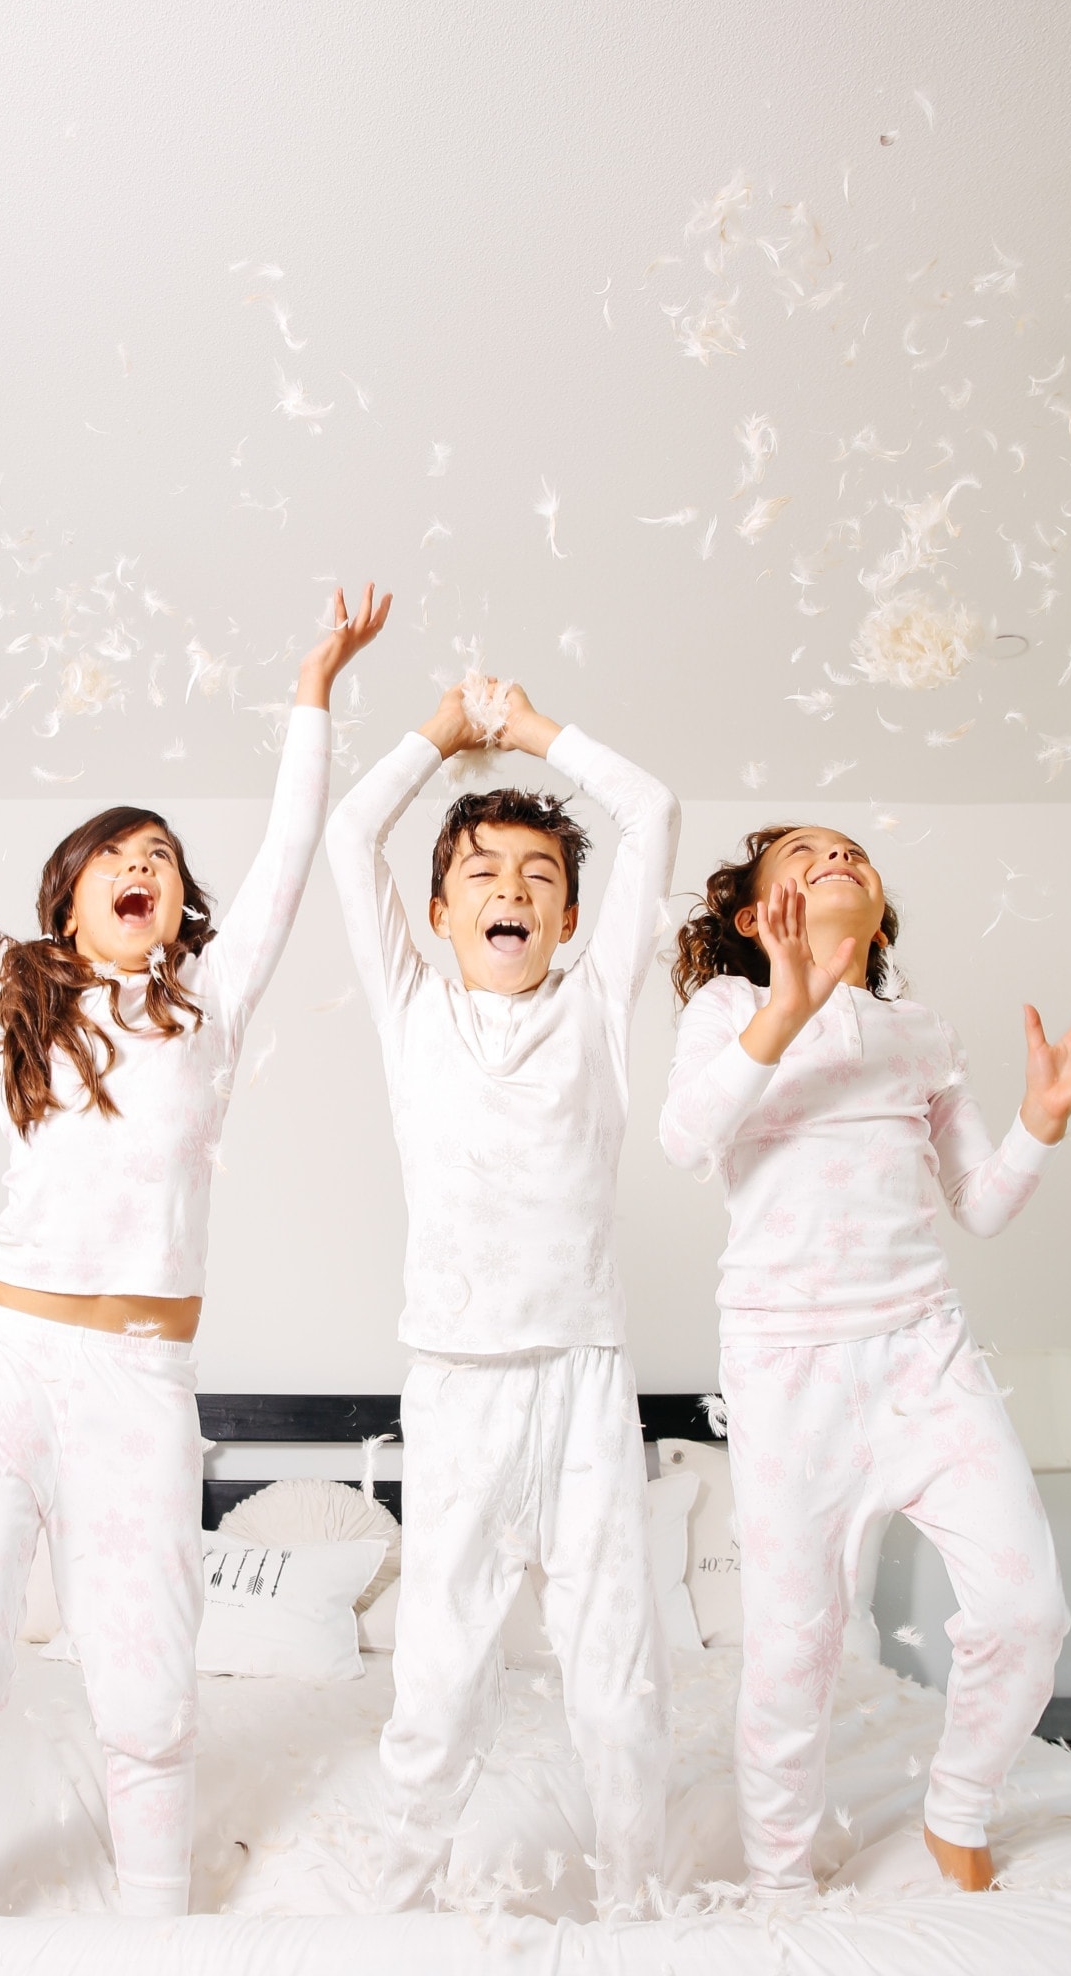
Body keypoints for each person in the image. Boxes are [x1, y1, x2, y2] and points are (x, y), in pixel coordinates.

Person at [0, 583, 390, 1917]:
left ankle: (160, 1930)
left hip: (137, 1382)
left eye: (159, 852)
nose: (142, 863)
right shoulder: (14, 993)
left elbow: (283, 852)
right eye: (117, 853)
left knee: (147, 1674)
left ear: (174, 902)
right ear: (71, 896)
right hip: (5, 1362)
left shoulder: (211, 1002)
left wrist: (313, 693)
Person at [660, 824, 1071, 1895]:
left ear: (880, 908)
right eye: (802, 856)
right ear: (758, 917)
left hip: (924, 1353)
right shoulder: (728, 1010)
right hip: (785, 1365)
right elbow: (683, 1137)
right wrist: (786, 1007)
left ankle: (958, 1804)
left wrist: (1040, 1120)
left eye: (851, 851)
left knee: (1028, 1606)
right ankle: (779, 1876)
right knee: (796, 1646)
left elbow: (979, 1203)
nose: (836, 859)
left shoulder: (919, 1031)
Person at [326, 676, 681, 1915]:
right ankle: (400, 1908)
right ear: (435, 912)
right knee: (437, 1680)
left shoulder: (598, 1008)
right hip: (461, 1385)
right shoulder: (414, 1008)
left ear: (574, 914)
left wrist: (532, 730)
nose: (512, 892)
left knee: (618, 1680)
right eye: (481, 875)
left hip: (584, 1380)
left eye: (538, 876)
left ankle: (641, 1911)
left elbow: (652, 806)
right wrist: (441, 733)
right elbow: (344, 832)